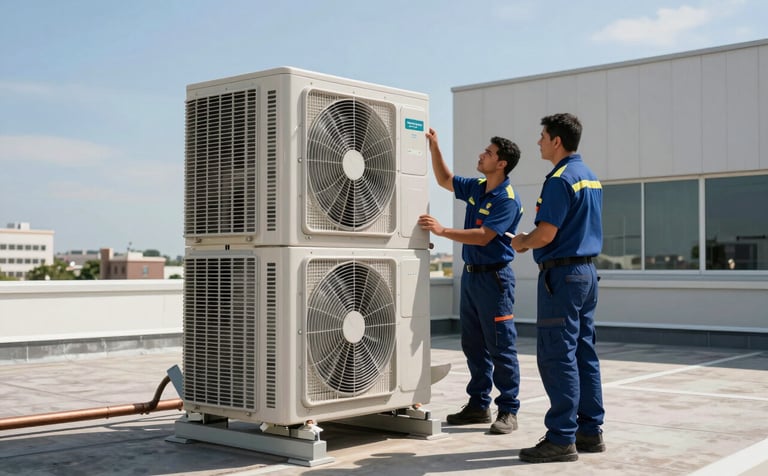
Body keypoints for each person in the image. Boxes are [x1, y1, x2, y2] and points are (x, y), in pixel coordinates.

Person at [511, 113, 606, 463]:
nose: (538, 142)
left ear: (557, 142)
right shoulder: (590, 177)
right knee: (583, 352)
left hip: (562, 278)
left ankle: (561, 437)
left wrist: (522, 242)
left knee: (556, 354)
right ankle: (590, 432)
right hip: (587, 275)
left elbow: (546, 234)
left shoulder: (560, 179)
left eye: (542, 136)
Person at [418, 127, 523, 435]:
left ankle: (508, 410)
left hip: (496, 279)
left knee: (500, 345)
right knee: (473, 345)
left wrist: (442, 231)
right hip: (472, 277)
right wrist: (434, 146)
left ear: (501, 163)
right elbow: (445, 180)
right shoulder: (478, 186)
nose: (481, 155)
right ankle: (478, 405)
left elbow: (484, 236)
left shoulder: (507, 199)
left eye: (488, 153)